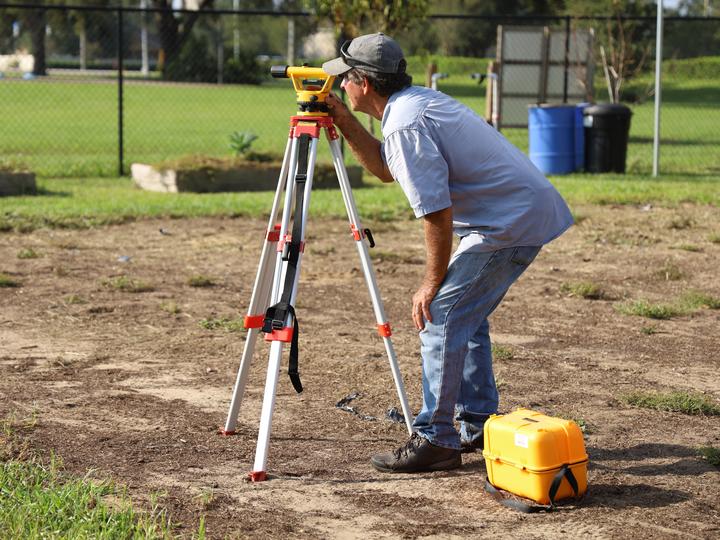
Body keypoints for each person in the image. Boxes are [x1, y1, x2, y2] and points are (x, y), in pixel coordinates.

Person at [322, 33, 573, 474]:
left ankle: (436, 439)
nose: (340, 85)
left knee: (440, 314)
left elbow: (436, 213)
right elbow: (385, 169)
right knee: (463, 317)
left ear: (365, 82)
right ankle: (476, 422)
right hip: (511, 216)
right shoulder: (409, 106)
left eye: (345, 80)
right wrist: (341, 118)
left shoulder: (406, 123)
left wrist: (428, 284)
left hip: (507, 224)